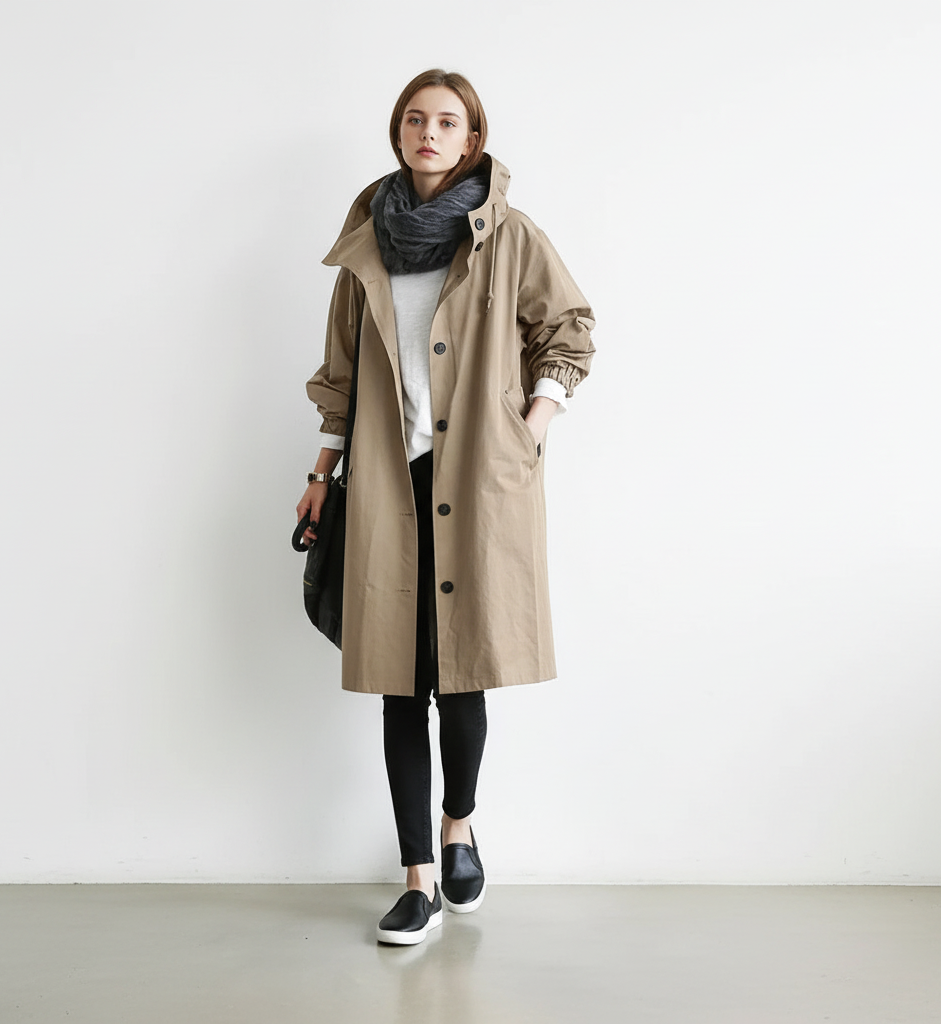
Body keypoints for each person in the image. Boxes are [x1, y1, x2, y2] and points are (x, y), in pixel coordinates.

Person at [296, 69, 596, 945]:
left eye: (447, 122)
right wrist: (321, 469)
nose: (429, 133)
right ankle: (418, 879)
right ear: (399, 133)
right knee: (401, 679)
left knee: (464, 671)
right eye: (415, 119)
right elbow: (341, 372)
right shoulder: (365, 246)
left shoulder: (510, 236)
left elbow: (569, 329)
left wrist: (528, 430)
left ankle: (458, 827)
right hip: (388, 479)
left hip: (477, 479)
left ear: (472, 139)